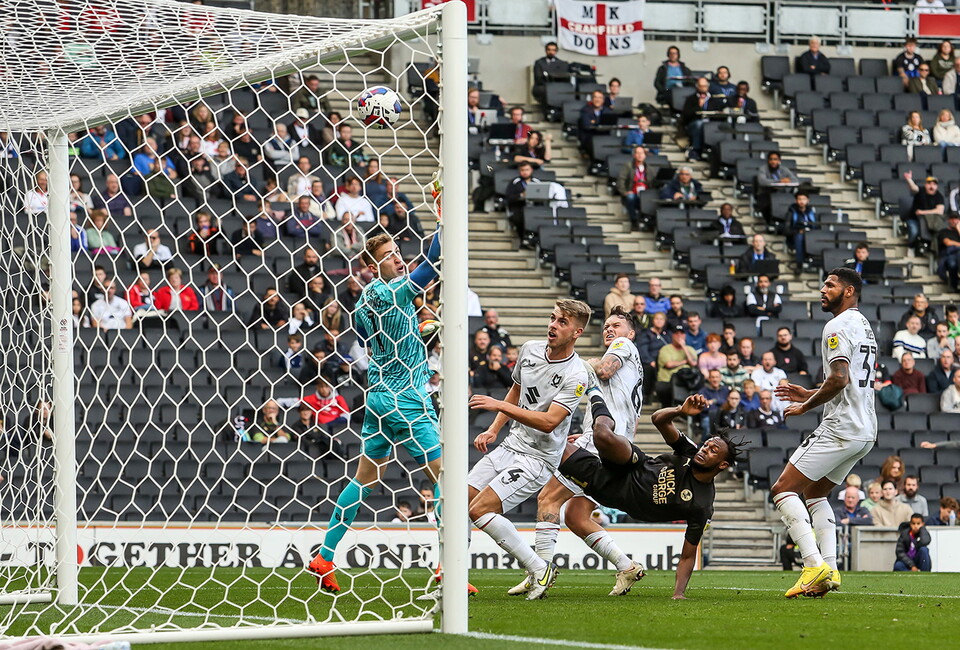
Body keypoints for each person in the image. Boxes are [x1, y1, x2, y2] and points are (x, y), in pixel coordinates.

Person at [307, 211, 453, 595]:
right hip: (407, 397)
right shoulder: (393, 290)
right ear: (371, 266)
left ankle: (324, 557)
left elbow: (387, 339)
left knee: (364, 480)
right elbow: (432, 264)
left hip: (377, 398)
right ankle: (446, 569)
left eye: (398, 251)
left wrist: (416, 330)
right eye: (389, 255)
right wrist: (443, 217)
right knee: (444, 478)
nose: (398, 258)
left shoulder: (362, 306)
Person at [509, 306, 644, 598]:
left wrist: (574, 361)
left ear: (630, 334)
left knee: (547, 498)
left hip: (602, 442)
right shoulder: (631, 365)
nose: (610, 329)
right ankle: (626, 565)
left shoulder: (624, 346)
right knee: (577, 516)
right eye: (607, 325)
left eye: (616, 325)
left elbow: (605, 368)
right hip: (612, 443)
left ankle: (538, 572)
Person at [558, 391, 742, 599]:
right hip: (632, 463)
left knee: (554, 446)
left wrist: (678, 593)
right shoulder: (689, 451)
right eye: (706, 445)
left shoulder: (702, 505)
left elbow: (688, 555)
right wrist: (680, 410)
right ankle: (595, 394)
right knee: (601, 434)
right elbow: (658, 420)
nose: (704, 450)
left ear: (723, 464)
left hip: (612, 489)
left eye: (712, 450)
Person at [467, 299, 590, 601]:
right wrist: (495, 427)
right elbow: (517, 389)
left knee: (479, 510)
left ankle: (539, 567)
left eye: (562, 322)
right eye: (552, 318)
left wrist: (498, 405)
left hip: (538, 459)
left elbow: (549, 422)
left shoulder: (577, 375)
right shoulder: (529, 350)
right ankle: (454, 577)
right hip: (510, 445)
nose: (553, 325)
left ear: (577, 332)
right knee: (459, 501)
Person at [770, 268, 877, 598]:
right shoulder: (865, 327)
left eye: (830, 285)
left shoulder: (836, 326)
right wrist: (810, 394)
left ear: (848, 292)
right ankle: (829, 569)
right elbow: (847, 381)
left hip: (841, 426)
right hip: (865, 429)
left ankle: (812, 564)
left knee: (783, 489)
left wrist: (806, 406)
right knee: (815, 493)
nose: (822, 289)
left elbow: (840, 378)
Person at [681, 77, 726, 161]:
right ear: (697, 87)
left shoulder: (713, 99)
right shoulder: (691, 99)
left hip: (711, 122)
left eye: (704, 86)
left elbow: (719, 114)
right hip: (694, 123)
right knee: (700, 124)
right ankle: (696, 150)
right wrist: (699, 107)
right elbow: (686, 115)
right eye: (701, 86)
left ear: (708, 87)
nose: (703, 88)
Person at [656, 325, 699, 406]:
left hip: (687, 381)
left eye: (682, 334)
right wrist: (685, 361)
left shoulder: (690, 349)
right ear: (673, 335)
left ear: (685, 335)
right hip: (667, 380)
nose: (679, 336)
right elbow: (669, 364)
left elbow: (693, 363)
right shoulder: (665, 349)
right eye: (676, 334)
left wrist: (684, 347)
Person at [618, 146, 651, 229]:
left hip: (645, 194)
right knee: (630, 197)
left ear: (645, 155)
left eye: (642, 153)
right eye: (638, 153)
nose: (640, 155)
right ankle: (634, 220)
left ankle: (647, 221)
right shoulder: (628, 166)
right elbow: (621, 181)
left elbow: (652, 183)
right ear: (634, 155)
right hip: (633, 192)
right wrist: (624, 192)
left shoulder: (649, 168)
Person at [637, 312, 669, 394]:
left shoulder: (668, 335)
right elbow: (642, 350)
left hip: (665, 360)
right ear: (653, 321)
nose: (659, 321)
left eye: (661, 319)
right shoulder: (645, 334)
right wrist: (650, 361)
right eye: (657, 319)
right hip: (650, 361)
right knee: (649, 368)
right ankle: (647, 395)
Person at [785, 193, 818, 266]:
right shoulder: (791, 212)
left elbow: (815, 226)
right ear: (796, 200)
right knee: (799, 236)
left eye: (804, 199)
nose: (801, 201)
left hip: (810, 234)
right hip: (795, 235)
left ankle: (813, 259)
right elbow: (787, 230)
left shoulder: (811, 212)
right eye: (799, 199)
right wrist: (798, 231)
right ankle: (799, 263)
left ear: (808, 200)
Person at [937, 214, 960, 290]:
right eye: (952, 219)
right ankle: (954, 286)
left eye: (956, 219)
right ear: (948, 220)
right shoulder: (944, 231)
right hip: (950, 254)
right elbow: (948, 243)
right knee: (952, 264)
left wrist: (959, 229)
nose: (954, 221)